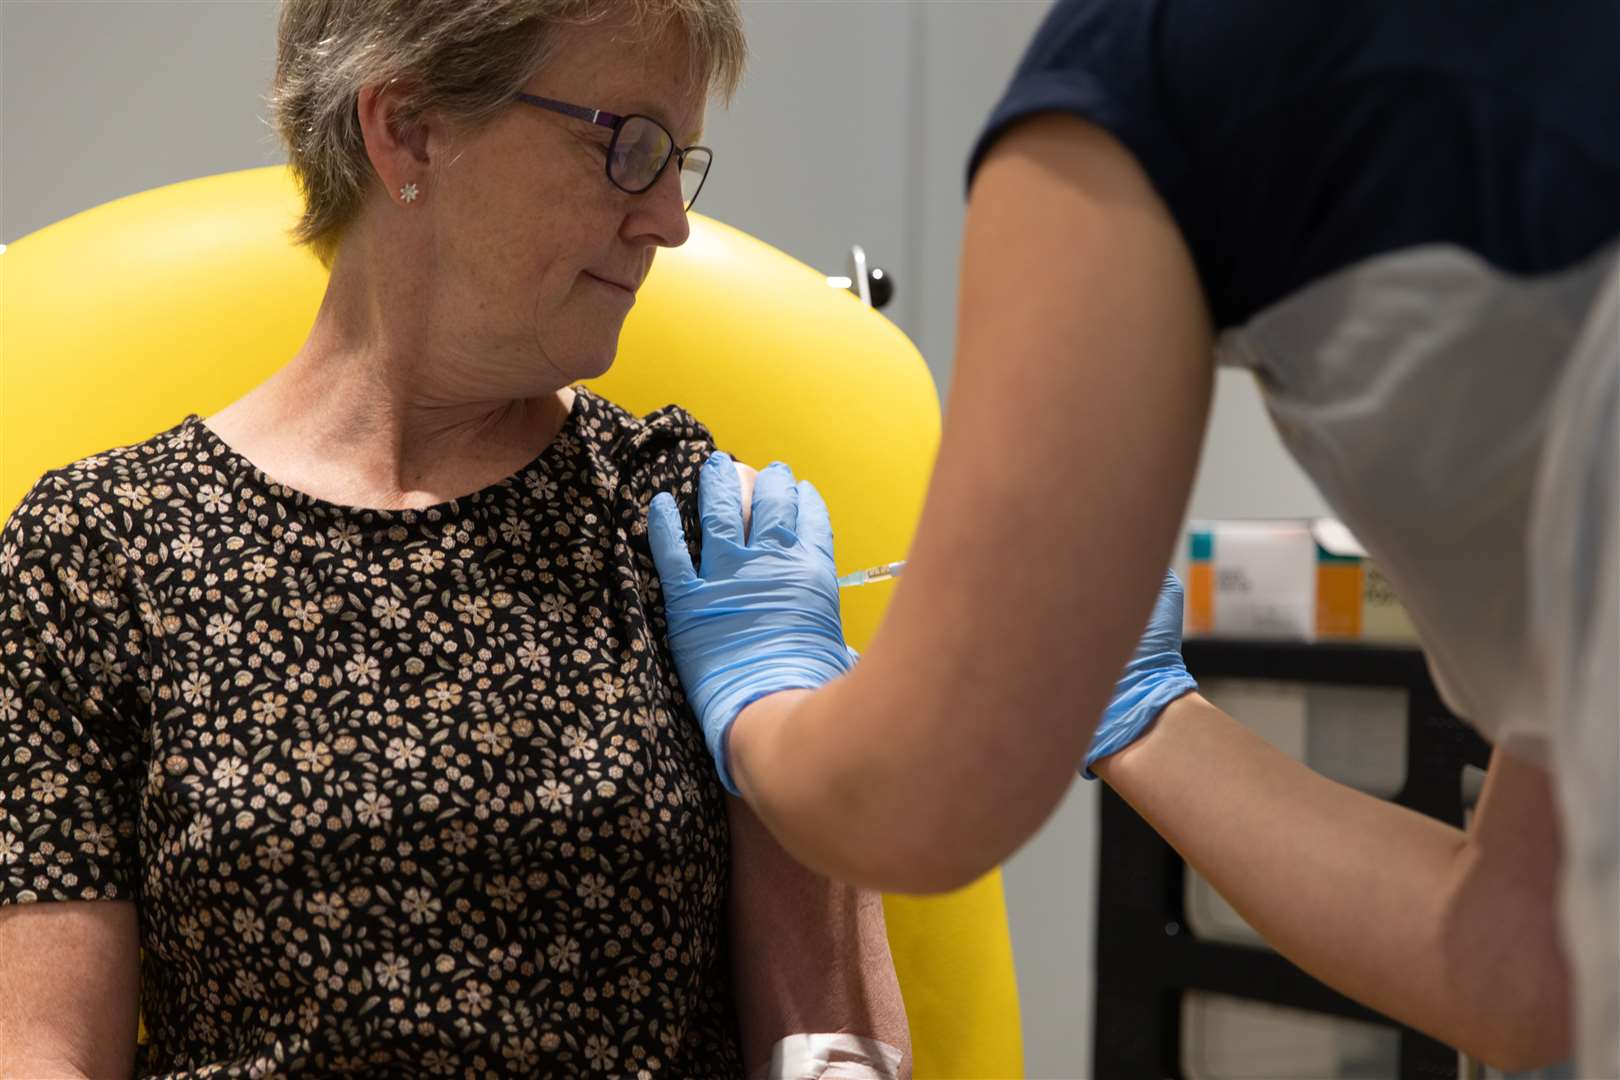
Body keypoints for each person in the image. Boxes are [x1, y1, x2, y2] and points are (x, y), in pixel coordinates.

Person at [646, 1, 1618, 1074]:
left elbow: (917, 807)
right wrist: (1149, 715)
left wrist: (769, 700)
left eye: (662, 158)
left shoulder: (1152, 67)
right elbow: (1530, 957)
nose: (661, 223)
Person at [0, 1, 911, 1076]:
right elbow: (44, 1053)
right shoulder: (102, 552)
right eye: (628, 148)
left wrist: (814, 743)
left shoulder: (691, 530)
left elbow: (831, 1040)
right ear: (409, 129)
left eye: (680, 162)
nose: (669, 219)